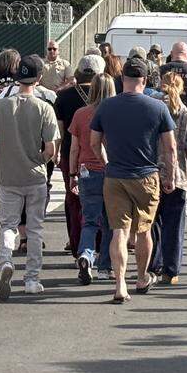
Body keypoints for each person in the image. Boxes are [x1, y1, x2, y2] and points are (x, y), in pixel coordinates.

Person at [90, 55, 177, 303]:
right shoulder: (158, 107)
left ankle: (120, 284)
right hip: (146, 176)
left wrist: (105, 162)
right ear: (145, 79)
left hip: (115, 175)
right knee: (143, 230)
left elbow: (94, 142)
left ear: (122, 79)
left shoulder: (106, 106)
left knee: (119, 230)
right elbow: (170, 147)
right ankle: (141, 277)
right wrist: (169, 175)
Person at [0, 55, 59, 299]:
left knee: (8, 224)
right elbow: (50, 149)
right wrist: (40, 160)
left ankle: (5, 261)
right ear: (38, 78)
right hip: (35, 175)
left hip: (8, 175)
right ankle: (31, 278)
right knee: (35, 229)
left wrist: (3, 157)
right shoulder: (44, 107)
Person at [149, 71, 187, 284]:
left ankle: (153, 264)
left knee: (153, 223)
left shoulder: (153, 109)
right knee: (174, 225)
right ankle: (171, 270)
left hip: (153, 172)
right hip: (179, 176)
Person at [56, 54, 105, 258]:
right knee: (102, 203)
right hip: (100, 155)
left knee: (74, 201)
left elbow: (60, 131)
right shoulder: (106, 98)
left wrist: (57, 153)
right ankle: (100, 247)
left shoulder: (64, 97)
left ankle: (77, 244)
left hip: (71, 153)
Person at [69, 71, 115, 282]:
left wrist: (72, 174)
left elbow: (74, 148)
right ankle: (105, 266)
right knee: (110, 222)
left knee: (89, 220)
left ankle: (86, 254)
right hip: (111, 171)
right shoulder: (116, 113)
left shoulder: (80, 114)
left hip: (87, 170)